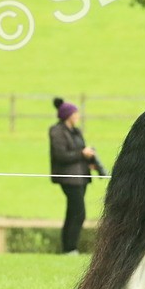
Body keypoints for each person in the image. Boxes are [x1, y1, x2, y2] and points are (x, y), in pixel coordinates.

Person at [49, 98, 97, 255]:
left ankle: (68, 249)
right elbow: (61, 155)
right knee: (79, 212)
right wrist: (82, 153)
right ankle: (70, 248)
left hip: (81, 177)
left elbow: (79, 152)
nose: (78, 116)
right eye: (75, 113)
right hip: (68, 178)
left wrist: (89, 160)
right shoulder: (56, 131)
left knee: (72, 212)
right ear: (68, 115)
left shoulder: (76, 131)